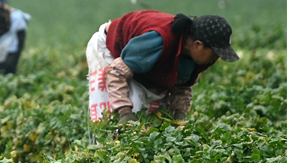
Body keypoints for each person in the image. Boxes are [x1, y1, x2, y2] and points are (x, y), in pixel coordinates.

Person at [85, 10, 239, 124]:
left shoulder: (197, 57)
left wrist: (180, 113)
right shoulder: (157, 41)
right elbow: (116, 73)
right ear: (197, 45)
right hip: (109, 48)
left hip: (141, 62)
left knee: (156, 117)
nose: (216, 59)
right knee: (121, 112)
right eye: (214, 54)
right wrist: (125, 112)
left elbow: (182, 85)